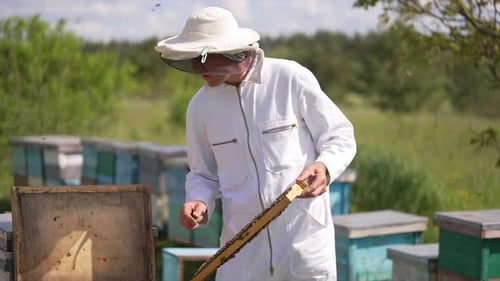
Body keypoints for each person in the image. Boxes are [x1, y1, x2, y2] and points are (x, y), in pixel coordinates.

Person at [155, 6, 356, 281]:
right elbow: (203, 173)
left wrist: (325, 166)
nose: (197, 68)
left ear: (234, 52)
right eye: (193, 57)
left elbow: (340, 135)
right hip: (242, 254)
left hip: (302, 246)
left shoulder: (290, 78)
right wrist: (198, 201)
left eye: (203, 57)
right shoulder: (200, 107)